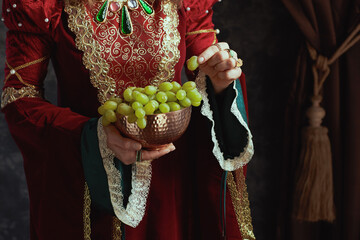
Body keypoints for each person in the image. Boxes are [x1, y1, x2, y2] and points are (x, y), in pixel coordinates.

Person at [1, 0, 255, 239]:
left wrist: (219, 81)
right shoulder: (43, 5)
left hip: (171, 189)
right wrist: (93, 136)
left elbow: (207, 69)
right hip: (92, 188)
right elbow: (19, 96)